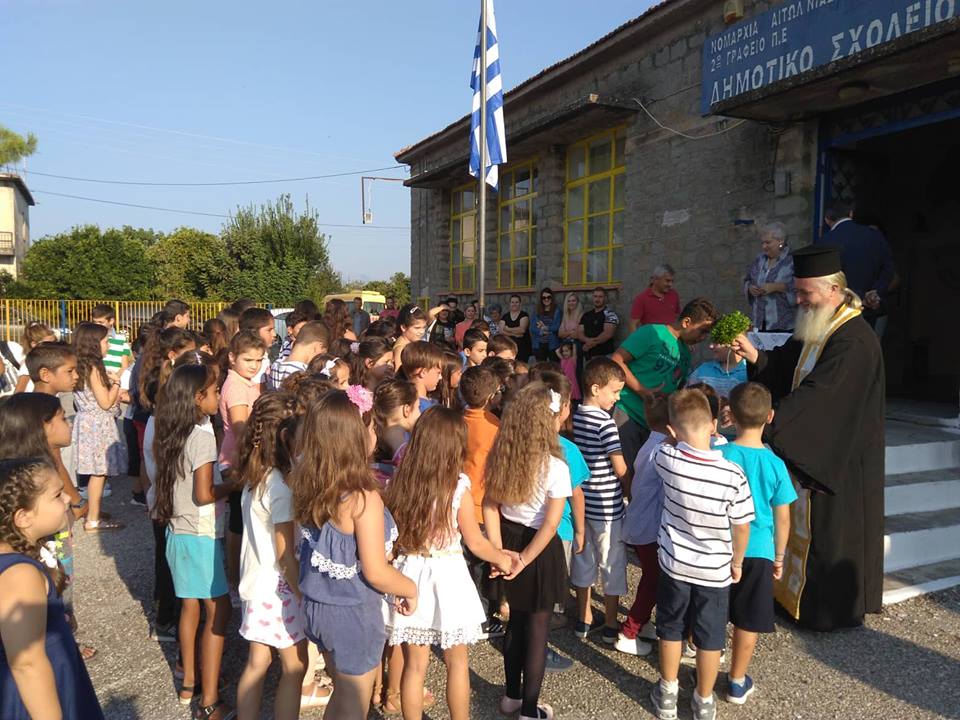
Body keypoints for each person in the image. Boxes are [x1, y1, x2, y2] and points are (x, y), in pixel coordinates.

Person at [729, 244, 885, 631]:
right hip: (816, 441)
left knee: (829, 534)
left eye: (804, 292)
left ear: (833, 289)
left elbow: (823, 397)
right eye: (796, 291)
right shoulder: (818, 322)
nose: (797, 300)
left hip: (838, 455)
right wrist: (753, 355)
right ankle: (790, 597)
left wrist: (770, 419)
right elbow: (785, 365)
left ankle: (823, 611)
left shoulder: (854, 339)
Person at [291, 390, 417, 720]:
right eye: (371, 426)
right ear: (356, 436)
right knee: (354, 705)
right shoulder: (362, 498)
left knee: (342, 695)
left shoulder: (309, 481)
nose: (375, 432)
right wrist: (410, 588)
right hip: (352, 614)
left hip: (318, 608)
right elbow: (375, 571)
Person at [384, 407, 515, 720]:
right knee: (457, 663)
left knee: (415, 666)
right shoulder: (457, 487)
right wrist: (502, 558)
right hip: (448, 573)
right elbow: (475, 541)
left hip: (410, 570)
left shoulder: (401, 481)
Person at [651, 390, 754, 720]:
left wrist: (673, 436)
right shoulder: (732, 475)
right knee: (710, 637)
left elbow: (667, 445)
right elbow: (741, 526)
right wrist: (737, 561)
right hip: (715, 569)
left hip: (674, 564)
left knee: (670, 627)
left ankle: (668, 692)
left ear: (672, 430)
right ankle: (704, 699)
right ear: (713, 425)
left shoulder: (666, 459)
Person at [483, 382, 572, 720]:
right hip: (537, 549)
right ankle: (530, 710)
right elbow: (550, 524)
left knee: (515, 623)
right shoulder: (555, 466)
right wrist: (523, 559)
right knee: (537, 630)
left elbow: (490, 505)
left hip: (506, 539)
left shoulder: (501, 456)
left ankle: (511, 696)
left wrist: (497, 551)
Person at [236, 393, 328, 719]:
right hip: (279, 592)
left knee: (257, 662)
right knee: (295, 666)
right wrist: (304, 595)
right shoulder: (280, 489)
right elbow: (285, 553)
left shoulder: (257, 476)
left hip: (255, 585)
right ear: (287, 437)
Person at [152, 363, 234, 720]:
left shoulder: (170, 429)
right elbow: (204, 494)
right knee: (219, 611)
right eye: (214, 392)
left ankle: (189, 680)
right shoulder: (202, 436)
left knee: (190, 607)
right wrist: (233, 484)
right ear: (198, 398)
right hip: (200, 534)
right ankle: (210, 699)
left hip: (177, 531)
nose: (218, 397)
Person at [0, 457, 105, 720]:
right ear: (23, 517)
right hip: (38, 700)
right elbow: (27, 663)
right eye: (57, 495)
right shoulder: (20, 574)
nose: (68, 498)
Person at [719, 383, 797, 705]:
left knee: (711, 608)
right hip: (760, 549)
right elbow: (784, 518)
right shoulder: (776, 464)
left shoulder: (719, 454)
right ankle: (737, 681)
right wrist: (779, 556)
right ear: (770, 416)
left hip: (719, 546)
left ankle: (703, 656)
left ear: (731, 415)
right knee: (747, 619)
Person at [612, 298, 718, 470]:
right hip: (626, 413)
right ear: (686, 322)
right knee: (625, 471)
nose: (703, 338)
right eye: (702, 331)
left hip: (654, 426)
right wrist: (642, 390)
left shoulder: (686, 352)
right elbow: (617, 360)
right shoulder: (651, 333)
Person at [570, 358, 629, 645]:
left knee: (583, 558)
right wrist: (630, 488)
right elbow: (619, 467)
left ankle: (583, 617)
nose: (618, 398)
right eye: (614, 391)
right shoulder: (606, 423)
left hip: (581, 501)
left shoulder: (574, 416)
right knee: (611, 561)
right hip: (607, 505)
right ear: (596, 389)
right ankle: (610, 622)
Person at [616, 393, 669, 657]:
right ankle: (629, 632)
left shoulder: (651, 443)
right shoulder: (663, 451)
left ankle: (642, 622)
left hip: (641, 523)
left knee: (650, 577)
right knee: (654, 580)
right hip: (649, 528)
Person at [460, 366, 504, 636]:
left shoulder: (457, 420)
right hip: (482, 505)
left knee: (465, 565)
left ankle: (468, 614)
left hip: (458, 502)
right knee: (480, 567)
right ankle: (482, 619)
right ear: (490, 396)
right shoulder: (493, 425)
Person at [72, 322, 126, 533]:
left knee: (97, 471)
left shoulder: (79, 365)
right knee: (99, 472)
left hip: (87, 421)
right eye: (105, 341)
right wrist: (116, 384)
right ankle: (93, 519)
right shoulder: (93, 368)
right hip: (97, 424)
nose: (108, 345)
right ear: (94, 344)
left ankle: (94, 511)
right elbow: (105, 402)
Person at [816, 203, 896, 321]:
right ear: (851, 214)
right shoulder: (874, 235)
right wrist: (876, 292)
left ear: (827, 220)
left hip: (839, 310)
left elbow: (824, 279)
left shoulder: (825, 241)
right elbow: (889, 267)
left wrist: (860, 296)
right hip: (871, 308)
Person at [743, 223, 796, 332]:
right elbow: (747, 279)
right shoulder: (759, 260)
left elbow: (802, 287)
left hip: (784, 324)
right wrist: (750, 288)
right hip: (759, 323)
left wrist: (777, 287)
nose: (764, 246)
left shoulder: (792, 261)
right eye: (762, 243)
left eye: (767, 242)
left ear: (780, 241)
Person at [372, 379, 421, 484]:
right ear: (406, 410)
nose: (420, 413)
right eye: (418, 407)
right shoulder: (406, 455)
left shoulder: (372, 444)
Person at [268, 321, 329, 391]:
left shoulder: (276, 364)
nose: (320, 357)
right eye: (322, 352)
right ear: (318, 347)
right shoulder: (303, 375)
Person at [9, 322, 56, 394]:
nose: (53, 347)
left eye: (54, 343)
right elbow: (18, 391)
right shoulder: (29, 364)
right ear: (34, 344)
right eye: (48, 344)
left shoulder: (51, 360)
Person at [630, 264, 681, 331]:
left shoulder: (674, 295)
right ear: (656, 279)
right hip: (651, 337)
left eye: (672, 281)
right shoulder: (641, 299)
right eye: (667, 281)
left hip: (671, 337)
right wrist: (637, 337)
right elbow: (633, 324)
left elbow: (677, 317)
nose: (670, 284)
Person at [399, 341, 444, 413]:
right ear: (423, 372)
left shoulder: (402, 399)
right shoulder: (423, 409)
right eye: (438, 373)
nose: (440, 377)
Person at [578, 288, 619, 362]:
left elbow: (608, 334)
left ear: (605, 298)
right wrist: (587, 340)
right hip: (588, 356)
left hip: (604, 355)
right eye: (595, 296)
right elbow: (579, 332)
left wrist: (590, 344)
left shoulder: (610, 314)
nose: (597, 299)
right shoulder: (586, 315)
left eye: (600, 297)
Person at [239, 307, 278, 383]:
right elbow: (259, 387)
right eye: (269, 330)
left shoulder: (264, 355)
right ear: (254, 332)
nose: (274, 334)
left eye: (273, 329)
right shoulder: (257, 358)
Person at [90, 304, 132, 373]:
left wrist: (115, 379)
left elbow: (124, 367)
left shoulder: (121, 340)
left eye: (101, 322)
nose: (97, 325)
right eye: (95, 322)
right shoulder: (89, 339)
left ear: (111, 321)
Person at [392, 304, 429, 370]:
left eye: (424, 327)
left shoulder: (411, 344)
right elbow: (398, 373)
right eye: (417, 328)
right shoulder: (401, 350)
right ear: (403, 327)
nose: (422, 332)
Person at [499, 294, 532, 363]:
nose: (514, 304)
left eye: (516, 302)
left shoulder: (524, 315)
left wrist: (508, 329)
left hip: (523, 348)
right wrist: (515, 334)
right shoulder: (505, 316)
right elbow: (501, 331)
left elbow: (522, 330)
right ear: (509, 303)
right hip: (509, 348)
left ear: (520, 303)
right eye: (512, 302)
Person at [531, 288, 562, 362]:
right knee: (541, 367)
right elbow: (533, 328)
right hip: (539, 344)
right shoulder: (536, 311)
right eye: (544, 298)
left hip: (553, 344)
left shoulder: (557, 311)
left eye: (549, 297)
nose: (546, 299)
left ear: (552, 298)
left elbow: (557, 326)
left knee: (553, 366)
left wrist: (545, 328)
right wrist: (542, 332)